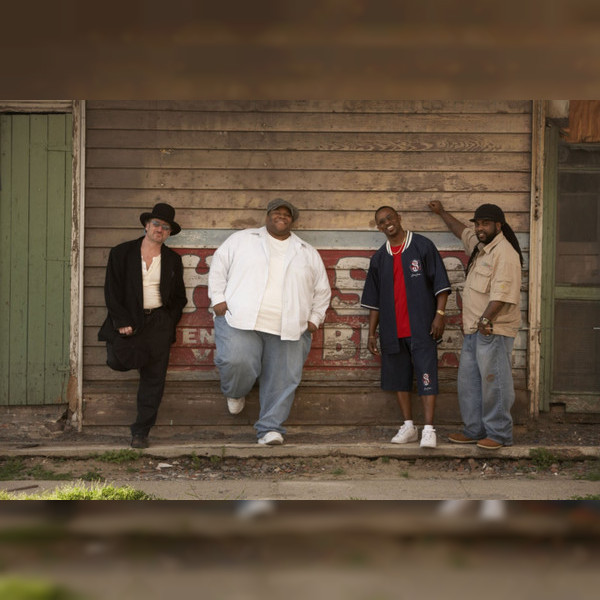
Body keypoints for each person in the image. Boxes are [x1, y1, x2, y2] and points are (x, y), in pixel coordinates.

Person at [208, 198, 331, 445]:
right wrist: (218, 299)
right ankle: (235, 391)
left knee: (284, 378)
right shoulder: (242, 239)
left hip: (290, 325)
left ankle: (270, 428)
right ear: (268, 216)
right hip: (239, 319)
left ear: (292, 220)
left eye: (288, 214)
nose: (282, 216)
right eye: (278, 212)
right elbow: (219, 266)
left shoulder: (307, 251)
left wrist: (314, 320)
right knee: (236, 361)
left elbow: (322, 290)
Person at [428, 201, 523, 449]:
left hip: (493, 329)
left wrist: (485, 319)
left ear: (498, 226)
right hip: (473, 330)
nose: (480, 228)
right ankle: (474, 430)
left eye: (485, 223)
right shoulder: (480, 248)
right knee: (469, 384)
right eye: (478, 223)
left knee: (495, 383)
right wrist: (441, 213)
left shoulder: (505, 253)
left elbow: (502, 294)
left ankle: (499, 434)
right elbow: (461, 231)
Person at [98, 203, 187, 449]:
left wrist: (169, 322)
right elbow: (112, 291)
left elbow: (180, 297)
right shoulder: (122, 253)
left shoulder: (172, 260)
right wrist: (122, 321)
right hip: (129, 321)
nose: (160, 229)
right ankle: (135, 354)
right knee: (117, 360)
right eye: (156, 224)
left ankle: (141, 432)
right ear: (146, 225)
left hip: (159, 322)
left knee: (153, 379)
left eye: (165, 227)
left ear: (169, 233)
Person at [361, 206, 451, 448]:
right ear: (378, 227)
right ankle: (409, 426)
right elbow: (374, 302)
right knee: (399, 379)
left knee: (426, 375)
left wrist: (439, 315)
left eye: (390, 218)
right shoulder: (379, 259)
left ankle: (429, 430)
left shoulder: (422, 246)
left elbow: (441, 285)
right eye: (381, 222)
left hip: (422, 327)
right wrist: (371, 333)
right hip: (392, 330)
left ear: (399, 218)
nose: (387, 223)